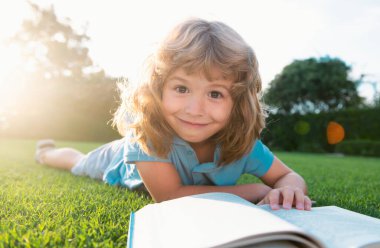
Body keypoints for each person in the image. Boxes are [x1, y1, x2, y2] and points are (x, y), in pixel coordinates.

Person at [35, 18, 312, 211]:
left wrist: (289, 189)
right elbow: (169, 196)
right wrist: (256, 191)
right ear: (158, 88)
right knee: (78, 162)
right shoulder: (148, 134)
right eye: (181, 88)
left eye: (215, 94)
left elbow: (289, 176)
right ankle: (46, 153)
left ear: (238, 102)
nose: (194, 109)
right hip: (117, 162)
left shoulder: (244, 146)